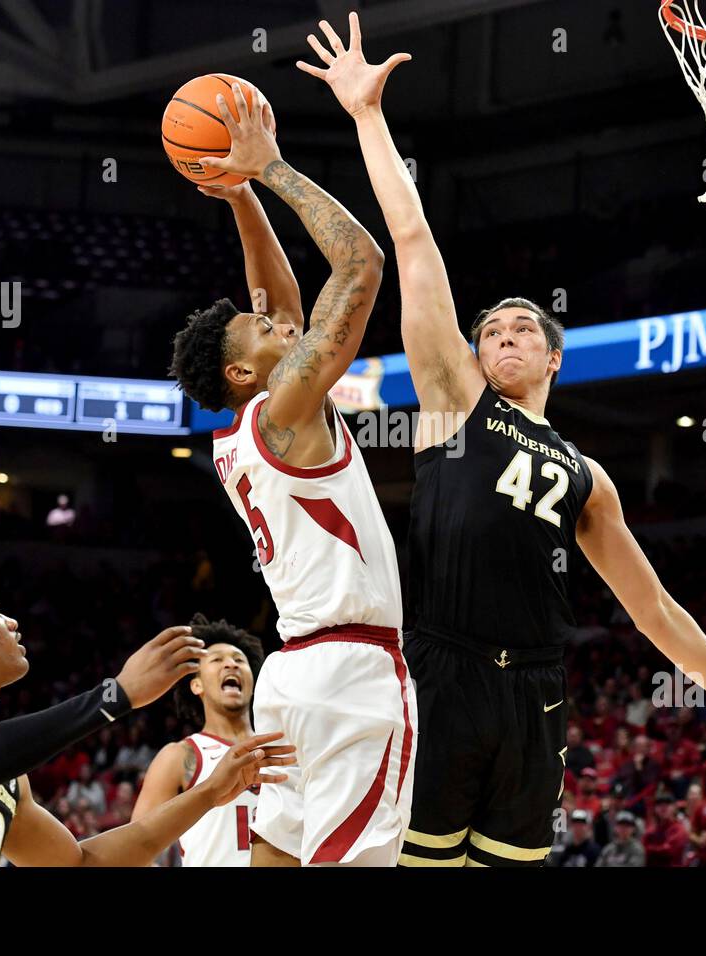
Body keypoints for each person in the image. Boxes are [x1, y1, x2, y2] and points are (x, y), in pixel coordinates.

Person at [297, 10, 706, 868]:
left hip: (536, 690)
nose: (500, 337)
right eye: (489, 328)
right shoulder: (456, 401)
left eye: (520, 329)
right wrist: (367, 116)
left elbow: (654, 610)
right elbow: (415, 244)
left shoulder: (587, 474)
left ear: (553, 357)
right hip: (443, 669)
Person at [169, 83, 413, 868]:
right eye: (265, 330)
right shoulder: (284, 410)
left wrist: (240, 198)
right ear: (243, 369)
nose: (279, 320)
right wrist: (270, 167)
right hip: (352, 677)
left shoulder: (240, 433)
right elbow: (363, 263)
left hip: (292, 677)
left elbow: (275, 300)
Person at [0, 553, 292, 866]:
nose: (11, 621)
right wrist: (116, 696)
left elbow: (79, 862)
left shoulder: (4, 775)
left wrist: (210, 793)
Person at [134, 615, 264, 867]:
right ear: (196, 685)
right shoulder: (180, 755)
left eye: (239, 660)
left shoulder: (283, 747)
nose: (231, 665)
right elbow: (136, 846)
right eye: (217, 660)